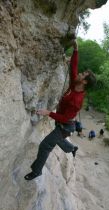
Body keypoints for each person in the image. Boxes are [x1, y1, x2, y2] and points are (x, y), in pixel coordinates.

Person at [24, 39, 97, 181]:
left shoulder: (77, 100)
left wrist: (49, 113)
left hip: (66, 126)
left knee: (46, 145)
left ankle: (36, 171)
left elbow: (65, 118)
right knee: (57, 140)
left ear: (85, 82)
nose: (80, 74)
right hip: (62, 122)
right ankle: (72, 148)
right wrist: (76, 50)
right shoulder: (74, 84)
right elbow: (73, 67)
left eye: (83, 75)